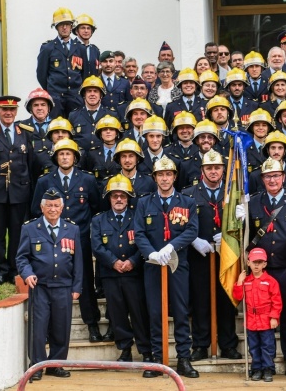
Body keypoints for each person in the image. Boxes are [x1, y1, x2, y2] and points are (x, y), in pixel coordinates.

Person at [133, 156, 200, 379]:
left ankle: (183, 358)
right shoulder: (144, 203)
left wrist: (171, 246)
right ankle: (157, 359)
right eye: (160, 175)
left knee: (181, 311)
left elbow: (191, 230)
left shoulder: (187, 201)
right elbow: (139, 232)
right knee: (154, 311)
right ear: (154, 178)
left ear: (174, 177)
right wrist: (150, 253)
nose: (164, 178)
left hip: (177, 263)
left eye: (168, 174)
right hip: (153, 265)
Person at [32, 138, 103, 341]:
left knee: (85, 281)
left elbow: (96, 207)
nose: (64, 157)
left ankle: (92, 324)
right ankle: (47, 329)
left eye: (68, 153)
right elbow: (36, 208)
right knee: (52, 280)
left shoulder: (87, 180)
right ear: (56, 157)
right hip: (52, 239)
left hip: (80, 238)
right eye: (61, 154)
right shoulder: (44, 181)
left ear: (75, 157)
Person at [245, 157, 286, 379]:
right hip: (260, 271)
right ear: (262, 179)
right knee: (259, 318)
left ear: (283, 177)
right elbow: (247, 238)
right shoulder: (251, 203)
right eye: (268, 176)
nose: (272, 180)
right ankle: (261, 363)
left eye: (276, 175)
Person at [16, 188, 82, 381]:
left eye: (56, 206)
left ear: (62, 208)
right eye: (49, 206)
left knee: (61, 328)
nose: (52, 209)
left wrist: (77, 287)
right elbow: (21, 257)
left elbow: (78, 261)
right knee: (38, 329)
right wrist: (27, 274)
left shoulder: (72, 229)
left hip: (63, 286)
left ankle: (56, 365)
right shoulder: (30, 228)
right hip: (40, 287)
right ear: (42, 207)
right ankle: (36, 366)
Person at [182, 150, 241, 361]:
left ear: (223, 170)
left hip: (226, 254)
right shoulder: (189, 194)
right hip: (200, 256)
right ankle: (200, 344)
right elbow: (181, 224)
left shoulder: (233, 194)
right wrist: (194, 240)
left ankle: (228, 344)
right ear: (202, 171)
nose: (213, 171)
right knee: (200, 301)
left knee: (226, 299)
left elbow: (241, 225)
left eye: (217, 168)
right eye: (209, 168)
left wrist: (230, 234)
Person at [91, 175, 151, 366]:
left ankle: (145, 350)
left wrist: (133, 262)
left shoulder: (138, 218)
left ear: (128, 198)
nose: (118, 199)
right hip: (110, 274)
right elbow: (97, 246)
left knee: (139, 314)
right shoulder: (99, 220)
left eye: (122, 196)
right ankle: (125, 349)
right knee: (117, 314)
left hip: (134, 274)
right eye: (115, 195)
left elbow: (144, 243)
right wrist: (113, 262)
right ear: (109, 198)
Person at [0, 96, 34, 286]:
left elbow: (30, 164)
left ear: (17, 111)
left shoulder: (26, 133)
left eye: (12, 110)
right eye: (4, 110)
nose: (8, 113)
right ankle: (1, 271)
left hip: (20, 191)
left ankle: (14, 269)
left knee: (17, 233)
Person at [233, 248, 282, 383]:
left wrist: (274, 317)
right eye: (254, 262)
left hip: (266, 319)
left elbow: (277, 301)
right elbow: (238, 297)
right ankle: (256, 368)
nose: (256, 265)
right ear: (248, 263)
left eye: (260, 262)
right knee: (253, 346)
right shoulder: (246, 281)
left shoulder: (271, 281)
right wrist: (239, 282)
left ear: (264, 264)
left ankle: (267, 368)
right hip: (251, 321)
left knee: (267, 346)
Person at [36, 8, 85, 118]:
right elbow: (41, 74)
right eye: (61, 24)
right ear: (56, 27)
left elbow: (84, 73)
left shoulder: (80, 48)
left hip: (75, 97)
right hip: (56, 97)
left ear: (72, 26)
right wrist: (52, 90)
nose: (64, 27)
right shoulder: (47, 48)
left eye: (67, 24)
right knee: (56, 128)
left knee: (76, 128)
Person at [69, 75, 118, 152]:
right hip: (80, 160)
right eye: (89, 91)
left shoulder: (112, 115)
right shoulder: (73, 115)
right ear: (84, 95)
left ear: (101, 95)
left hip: (101, 160)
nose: (92, 94)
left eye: (95, 91)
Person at [72, 14, 99, 79]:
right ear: (76, 30)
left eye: (88, 28)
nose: (86, 31)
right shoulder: (70, 47)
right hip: (75, 88)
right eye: (83, 28)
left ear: (92, 31)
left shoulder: (95, 50)